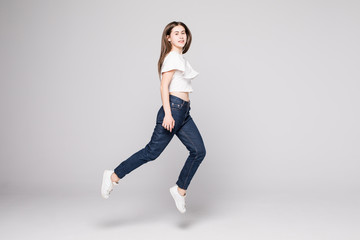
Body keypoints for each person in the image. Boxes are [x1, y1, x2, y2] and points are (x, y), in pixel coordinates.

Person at [101, 21, 206, 214]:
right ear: (168, 37)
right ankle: (113, 176)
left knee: (199, 151)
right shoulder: (172, 58)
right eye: (176, 33)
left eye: (183, 33)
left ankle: (180, 190)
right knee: (151, 152)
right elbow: (163, 86)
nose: (181, 36)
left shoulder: (180, 58)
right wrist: (167, 113)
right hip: (173, 110)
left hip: (184, 112)